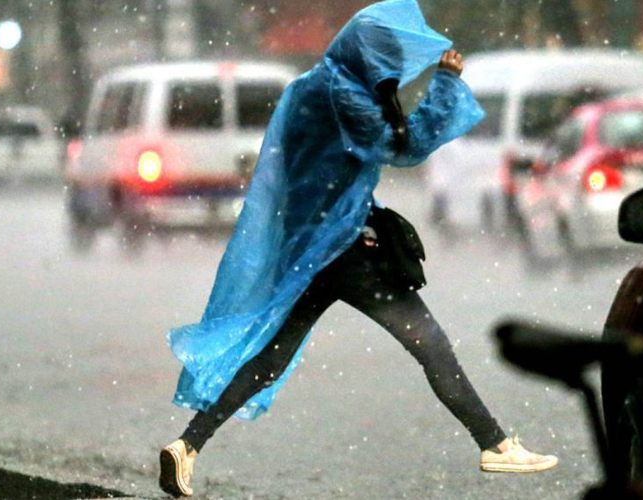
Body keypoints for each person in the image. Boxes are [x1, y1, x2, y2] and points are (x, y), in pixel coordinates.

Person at [159, 1, 557, 496]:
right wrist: (446, 84)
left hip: (307, 252)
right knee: (430, 343)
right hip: (345, 250)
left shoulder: (308, 87)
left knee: (269, 360)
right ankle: (494, 444)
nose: (390, 65)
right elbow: (404, 147)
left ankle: (188, 445)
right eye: (387, 55)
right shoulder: (346, 98)